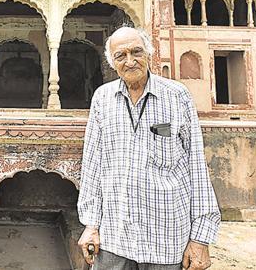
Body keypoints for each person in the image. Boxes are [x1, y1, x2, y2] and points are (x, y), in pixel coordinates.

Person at [77, 27, 220, 270]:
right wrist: (91, 224)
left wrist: (200, 237)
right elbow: (93, 165)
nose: (130, 61)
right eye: (121, 56)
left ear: (149, 54)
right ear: (112, 63)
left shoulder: (177, 96)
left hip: (165, 239)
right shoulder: (102, 99)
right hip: (115, 236)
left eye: (136, 52)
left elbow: (196, 166)